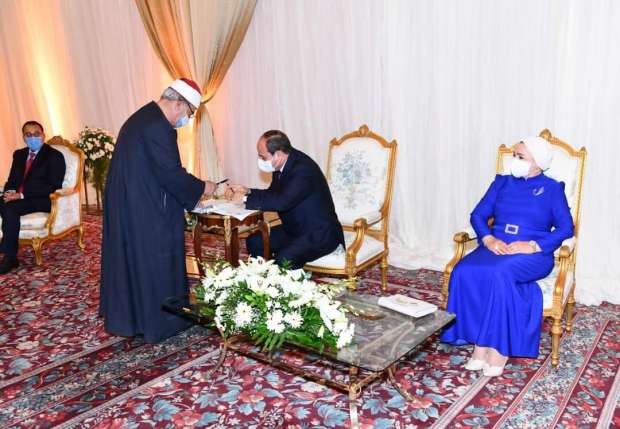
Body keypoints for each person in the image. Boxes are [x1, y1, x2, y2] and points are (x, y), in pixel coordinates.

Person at [441, 136, 574, 377]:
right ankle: (479, 340)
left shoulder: (553, 189)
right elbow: (478, 215)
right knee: (463, 270)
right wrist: (488, 239)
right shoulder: (501, 182)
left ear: (538, 162)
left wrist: (533, 245)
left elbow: (566, 228)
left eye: (520, 156)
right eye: (514, 155)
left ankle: (497, 348)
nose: (514, 160)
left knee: (499, 273)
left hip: (533, 254)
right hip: (496, 246)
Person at [100, 78, 218, 343]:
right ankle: (163, 322)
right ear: (179, 104)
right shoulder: (158, 127)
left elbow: (158, 169)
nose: (186, 120)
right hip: (146, 209)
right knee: (156, 260)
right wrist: (203, 187)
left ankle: (136, 320)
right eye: (189, 114)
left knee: (136, 262)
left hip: (132, 203)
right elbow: (170, 174)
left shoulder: (143, 117)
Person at [228, 130, 344, 269]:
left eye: (263, 157)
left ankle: (281, 281)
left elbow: (282, 202)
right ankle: (261, 278)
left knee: (285, 258)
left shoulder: (303, 169)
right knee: (255, 241)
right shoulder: (282, 164)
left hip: (319, 233)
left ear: (278, 155)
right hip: (294, 229)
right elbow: (273, 194)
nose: (260, 160)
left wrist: (245, 199)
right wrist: (248, 191)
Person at [0, 121, 65, 274]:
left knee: (10, 209)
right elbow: (12, 180)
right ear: (24, 137)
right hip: (18, 198)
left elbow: (53, 186)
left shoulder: (54, 156)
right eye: (28, 135)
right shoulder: (19, 154)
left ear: (43, 135)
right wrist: (9, 192)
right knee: (5, 203)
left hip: (42, 199)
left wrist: (21, 195)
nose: (33, 138)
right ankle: (8, 243)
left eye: (36, 134)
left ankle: (10, 257)